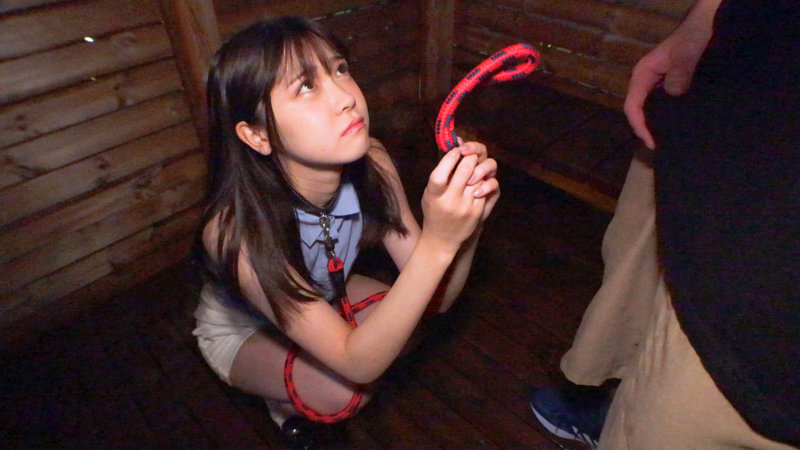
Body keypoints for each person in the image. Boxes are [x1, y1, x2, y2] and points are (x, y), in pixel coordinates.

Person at [191, 16, 499, 447]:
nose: (346, 97)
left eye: (339, 69)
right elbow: (358, 364)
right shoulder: (232, 231)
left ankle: (305, 357)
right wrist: (439, 241)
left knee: (408, 322)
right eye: (305, 86)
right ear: (257, 135)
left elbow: (439, 299)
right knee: (346, 390)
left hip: (324, 291)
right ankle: (282, 402)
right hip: (244, 328)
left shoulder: (373, 160)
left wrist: (468, 227)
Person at [529, 0, 799, 448]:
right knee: (639, 265)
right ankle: (604, 396)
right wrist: (707, 17)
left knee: (697, 388)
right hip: (728, 96)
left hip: (764, 254)